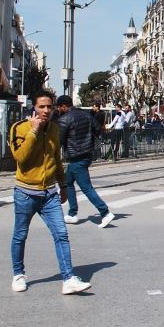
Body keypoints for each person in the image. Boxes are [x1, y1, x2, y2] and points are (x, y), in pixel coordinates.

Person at [9, 90, 91, 295]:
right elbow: (20, 157)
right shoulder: (19, 128)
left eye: (49, 107)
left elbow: (56, 158)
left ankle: (68, 278)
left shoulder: (54, 128)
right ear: (33, 108)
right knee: (20, 235)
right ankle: (18, 275)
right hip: (26, 192)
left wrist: (63, 186)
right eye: (42, 107)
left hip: (49, 193)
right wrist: (34, 132)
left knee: (62, 234)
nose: (46, 111)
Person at [55, 95, 115, 228]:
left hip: (76, 156)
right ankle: (72, 214)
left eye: (59, 108)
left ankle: (105, 212)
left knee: (86, 187)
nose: (59, 110)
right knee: (67, 182)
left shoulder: (64, 119)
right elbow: (98, 129)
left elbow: (59, 141)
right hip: (87, 154)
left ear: (63, 106)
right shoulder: (86, 115)